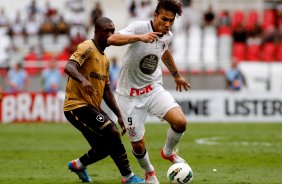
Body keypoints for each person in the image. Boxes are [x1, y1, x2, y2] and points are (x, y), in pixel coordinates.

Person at [107, 0, 191, 183]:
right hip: (128, 95)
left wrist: (176, 75)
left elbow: (165, 51)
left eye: (171, 21)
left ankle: (167, 153)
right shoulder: (139, 27)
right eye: (164, 19)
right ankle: (150, 172)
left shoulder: (167, 34)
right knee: (137, 144)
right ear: (155, 15)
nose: (167, 24)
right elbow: (111, 39)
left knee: (180, 122)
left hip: (153, 89)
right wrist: (140, 37)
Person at [63, 17, 144, 183]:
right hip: (76, 106)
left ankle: (78, 165)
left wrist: (119, 115)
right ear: (97, 32)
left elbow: (107, 90)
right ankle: (128, 177)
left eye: (113, 31)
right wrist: (83, 81)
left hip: (92, 107)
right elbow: (69, 66)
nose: (110, 34)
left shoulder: (105, 59)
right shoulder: (87, 47)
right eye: (106, 30)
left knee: (105, 146)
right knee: (112, 133)